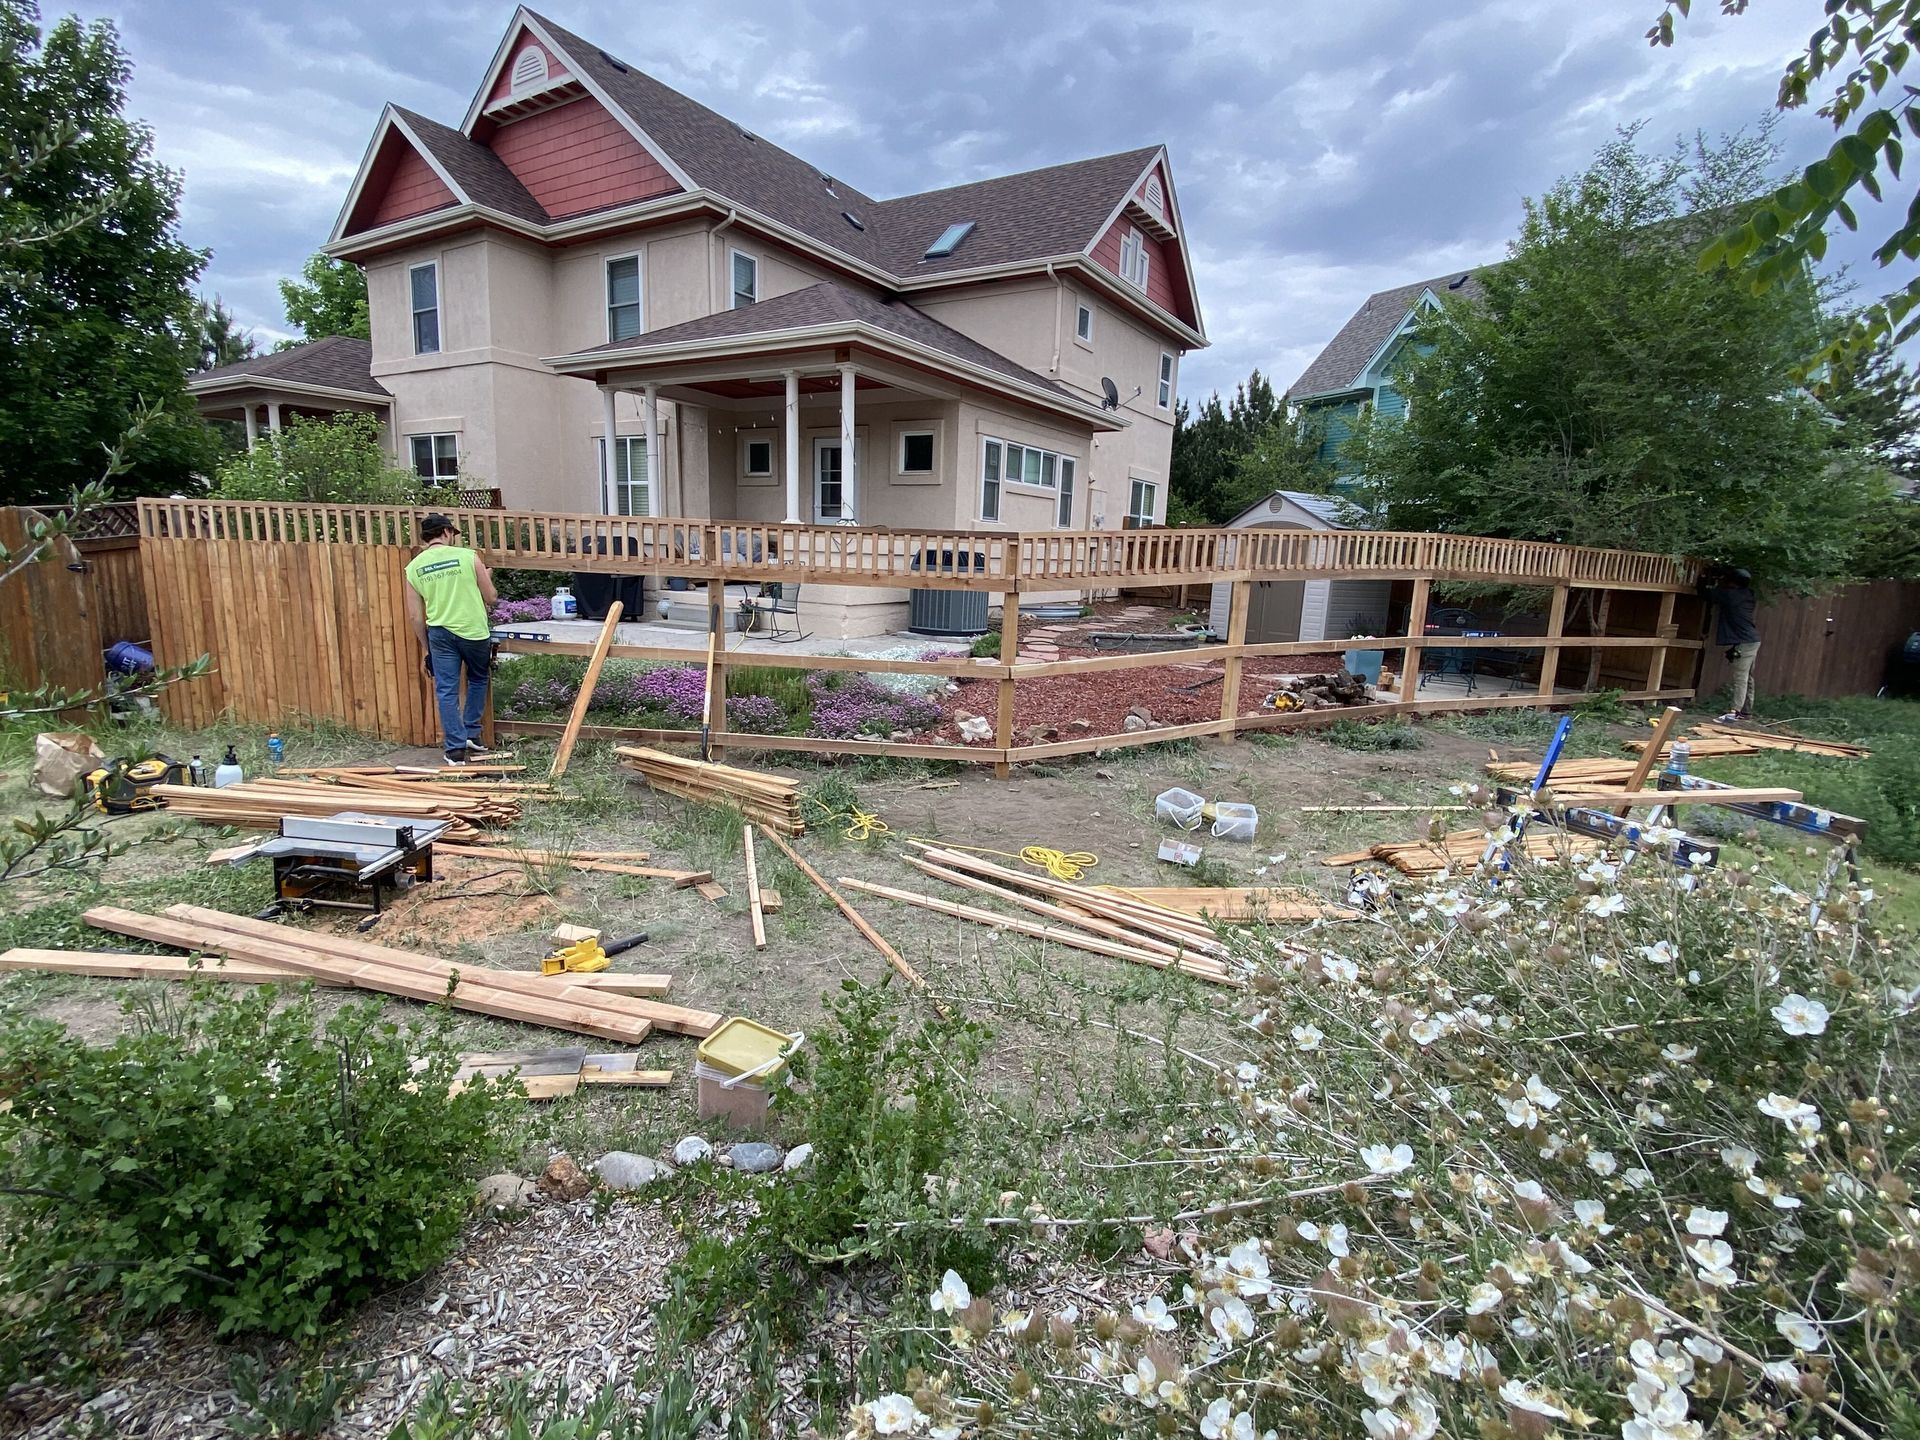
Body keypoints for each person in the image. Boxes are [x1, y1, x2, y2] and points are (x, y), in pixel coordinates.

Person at [404, 514, 499, 765]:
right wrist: (486, 577)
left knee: (446, 690)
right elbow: (490, 597)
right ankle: (471, 733)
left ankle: (455, 750)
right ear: (446, 532)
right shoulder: (467, 557)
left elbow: (415, 616)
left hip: (440, 633)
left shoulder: (414, 567)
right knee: (478, 678)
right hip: (473, 631)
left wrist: (427, 649)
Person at [1698, 563, 1760, 723]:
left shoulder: (1730, 595)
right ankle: (1746, 712)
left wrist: (1703, 578)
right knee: (1748, 677)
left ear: (1733, 582)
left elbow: (1705, 593)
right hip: (1752, 639)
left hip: (1744, 641)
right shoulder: (1747, 594)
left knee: (1741, 677)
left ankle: (1735, 712)